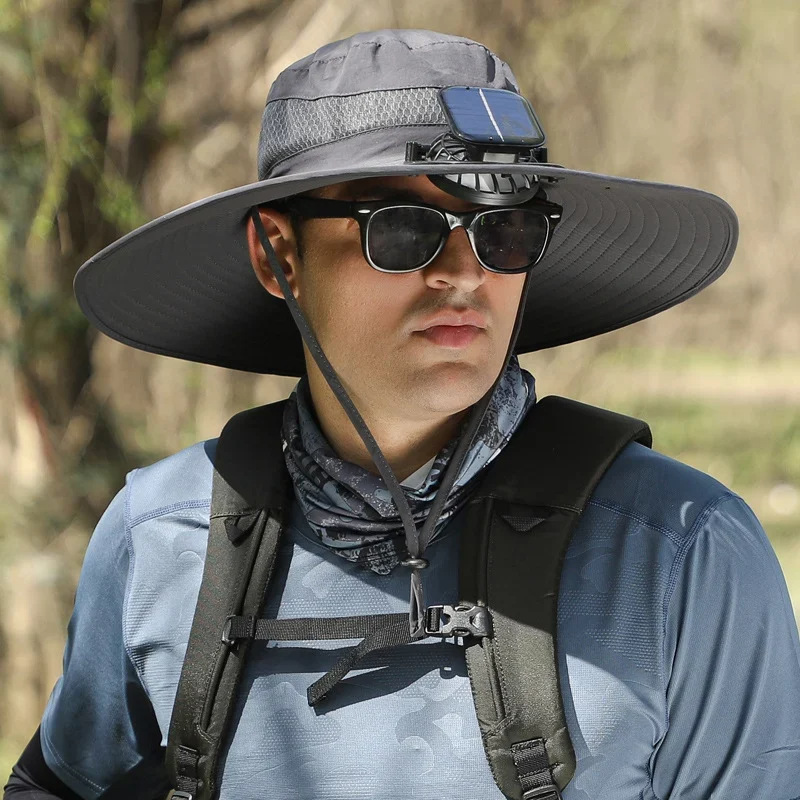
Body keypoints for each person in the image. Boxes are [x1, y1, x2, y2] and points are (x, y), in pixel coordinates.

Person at [5, 28, 800, 800]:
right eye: (403, 229)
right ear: (278, 254)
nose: (463, 273)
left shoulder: (682, 552)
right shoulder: (162, 538)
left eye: (507, 229)